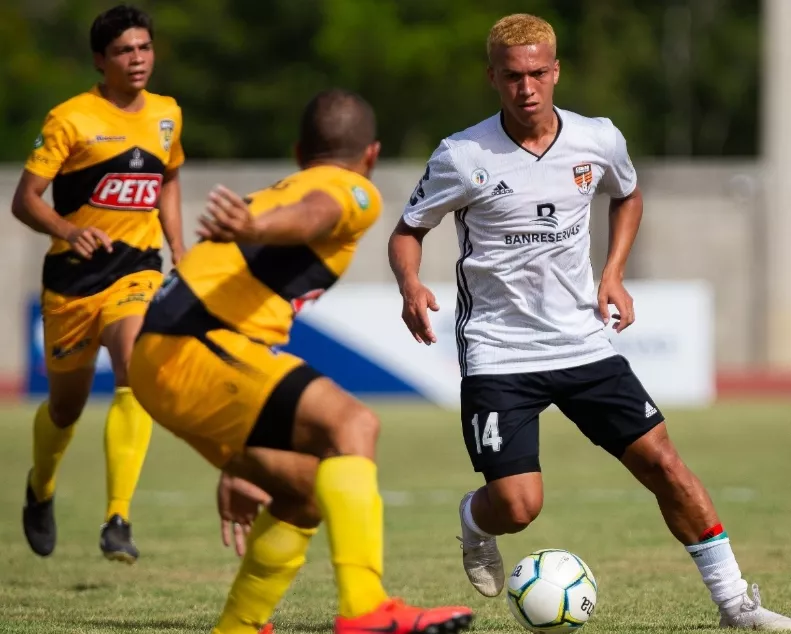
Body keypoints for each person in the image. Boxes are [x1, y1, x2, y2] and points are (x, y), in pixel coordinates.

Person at [388, 13, 791, 631]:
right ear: (493, 77)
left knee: (665, 464)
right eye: (513, 76)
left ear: (556, 71)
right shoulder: (462, 155)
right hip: (499, 351)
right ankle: (475, 518)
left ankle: (735, 602)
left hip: (581, 342)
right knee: (519, 508)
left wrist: (613, 271)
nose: (527, 88)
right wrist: (411, 284)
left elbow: (627, 192)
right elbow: (408, 230)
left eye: (538, 74)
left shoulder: (597, 139)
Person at [128, 88, 473, 634]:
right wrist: (258, 229)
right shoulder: (351, 188)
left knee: (309, 489)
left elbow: (289, 222)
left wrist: (244, 445)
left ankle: (238, 628)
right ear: (372, 154)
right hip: (195, 345)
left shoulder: (272, 192)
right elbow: (317, 213)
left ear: (297, 152)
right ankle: (366, 609)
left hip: (171, 352)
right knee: (353, 424)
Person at [11, 4, 185, 564]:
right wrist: (68, 229)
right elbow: (25, 201)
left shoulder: (167, 114)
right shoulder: (71, 119)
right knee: (66, 407)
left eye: (144, 48)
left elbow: (170, 176)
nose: (137, 60)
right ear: (99, 60)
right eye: (123, 51)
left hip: (137, 268)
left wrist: (179, 248)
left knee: (136, 365)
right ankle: (41, 488)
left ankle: (118, 518)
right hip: (71, 282)